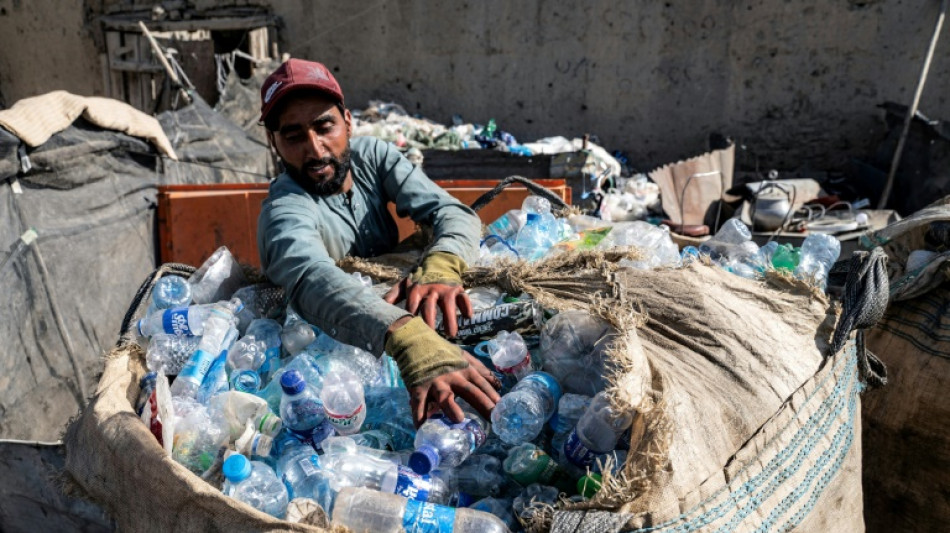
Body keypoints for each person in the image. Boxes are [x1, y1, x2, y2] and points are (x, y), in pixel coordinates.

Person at [256, 58, 500, 427]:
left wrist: (442, 267)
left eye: (325, 127)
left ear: (348, 121)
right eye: (293, 136)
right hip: (345, 350)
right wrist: (407, 336)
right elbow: (310, 278)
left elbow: (452, 213)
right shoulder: (284, 209)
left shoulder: (374, 157)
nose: (316, 150)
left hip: (402, 305)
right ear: (274, 142)